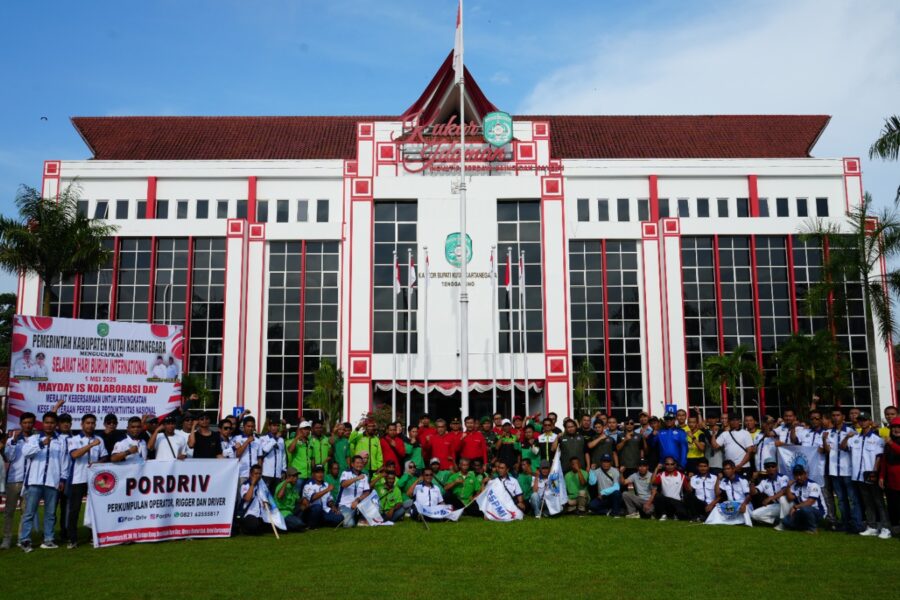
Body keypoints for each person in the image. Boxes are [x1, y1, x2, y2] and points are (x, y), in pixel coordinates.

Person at [19, 412, 68, 552]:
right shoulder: (34, 438)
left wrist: (62, 479)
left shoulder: (61, 440)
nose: (49, 425)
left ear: (56, 424)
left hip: (52, 481)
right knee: (29, 512)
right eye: (47, 422)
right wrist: (41, 444)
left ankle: (48, 539)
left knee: (50, 513)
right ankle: (25, 540)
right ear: (43, 423)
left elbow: (64, 461)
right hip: (35, 480)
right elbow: (26, 453)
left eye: (52, 423)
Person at [66, 413, 108, 548]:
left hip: (95, 479)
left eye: (92, 423)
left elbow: (104, 456)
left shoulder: (99, 439)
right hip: (78, 478)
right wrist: (90, 445)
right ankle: (72, 539)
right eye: (88, 423)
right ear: (82, 424)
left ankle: (93, 535)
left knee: (94, 508)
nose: (90, 425)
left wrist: (98, 463)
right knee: (74, 510)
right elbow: (75, 454)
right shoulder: (74, 439)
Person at [848, 412, 890, 538]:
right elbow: (844, 447)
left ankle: (885, 527)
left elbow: (879, 457)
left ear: (870, 421)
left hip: (871, 475)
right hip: (859, 475)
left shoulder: (877, 439)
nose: (862, 422)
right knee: (867, 502)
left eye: (865, 420)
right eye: (860, 420)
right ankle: (872, 526)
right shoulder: (854, 438)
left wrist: (875, 473)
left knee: (879, 502)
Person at [822, 408, 863, 533]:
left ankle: (857, 524)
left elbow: (845, 448)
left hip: (848, 470)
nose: (835, 417)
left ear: (843, 417)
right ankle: (845, 523)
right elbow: (828, 451)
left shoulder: (851, 431)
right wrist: (824, 440)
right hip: (834, 470)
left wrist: (846, 438)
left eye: (838, 415)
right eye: (833, 415)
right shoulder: (829, 432)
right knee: (841, 499)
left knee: (853, 499)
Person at [2, 412, 37, 549]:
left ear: (33, 424)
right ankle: (6, 539)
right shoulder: (13, 439)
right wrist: (14, 441)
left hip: (29, 480)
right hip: (14, 480)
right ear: (20, 424)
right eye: (25, 423)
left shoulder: (36, 439)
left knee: (26, 512)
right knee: (9, 511)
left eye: (30, 423)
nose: (27, 425)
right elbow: (9, 457)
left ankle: (22, 538)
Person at [780, 464, 826, 533]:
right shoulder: (795, 485)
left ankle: (813, 529)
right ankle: (805, 526)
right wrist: (788, 486)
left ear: (805, 474)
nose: (799, 477)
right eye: (796, 475)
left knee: (805, 509)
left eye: (800, 474)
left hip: (818, 512)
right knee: (785, 521)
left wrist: (795, 507)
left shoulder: (813, 485)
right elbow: (790, 498)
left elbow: (810, 502)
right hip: (802, 511)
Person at [709, 459, 753, 526]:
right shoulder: (724, 481)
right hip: (732, 505)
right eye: (724, 469)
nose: (726, 471)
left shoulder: (742, 480)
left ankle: (743, 522)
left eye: (728, 469)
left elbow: (749, 496)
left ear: (733, 469)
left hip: (743, 504)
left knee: (744, 510)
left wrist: (743, 504)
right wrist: (718, 479)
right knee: (717, 508)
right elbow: (717, 493)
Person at [648, 456, 690, 521]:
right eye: (667, 464)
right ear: (664, 465)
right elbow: (653, 482)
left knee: (683, 515)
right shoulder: (661, 474)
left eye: (672, 464)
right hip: (665, 502)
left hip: (677, 501)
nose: (669, 466)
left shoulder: (681, 476)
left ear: (675, 465)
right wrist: (656, 469)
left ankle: (673, 515)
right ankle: (663, 514)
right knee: (658, 496)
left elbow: (688, 490)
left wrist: (689, 480)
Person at [750, 460, 790, 526]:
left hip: (788, 505)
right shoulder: (764, 482)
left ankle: (783, 523)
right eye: (768, 467)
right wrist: (752, 480)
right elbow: (753, 493)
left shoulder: (783, 477)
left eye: (773, 466)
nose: (771, 468)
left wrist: (771, 498)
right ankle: (777, 522)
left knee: (782, 499)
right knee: (754, 514)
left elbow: (784, 491)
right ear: (765, 468)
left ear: (776, 467)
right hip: (777, 505)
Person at [878, 416, 900, 533]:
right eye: (894, 427)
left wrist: (891, 443)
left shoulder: (890, 442)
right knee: (892, 504)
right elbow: (884, 461)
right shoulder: (888, 443)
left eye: (899, 427)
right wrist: (882, 476)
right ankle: (895, 526)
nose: (896, 430)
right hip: (891, 479)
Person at [338, 455, 373, 527]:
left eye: (361, 463)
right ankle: (356, 519)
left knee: (373, 518)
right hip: (345, 505)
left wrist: (358, 500)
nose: (359, 465)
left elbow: (367, 492)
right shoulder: (345, 473)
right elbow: (343, 484)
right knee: (349, 524)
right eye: (357, 463)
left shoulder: (364, 476)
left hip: (358, 504)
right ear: (352, 464)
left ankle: (359, 519)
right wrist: (357, 478)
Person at [239, 465, 273, 535]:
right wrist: (252, 485)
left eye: (260, 473)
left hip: (261, 514)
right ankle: (244, 528)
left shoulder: (262, 486)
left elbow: (267, 500)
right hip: (249, 514)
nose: (258, 475)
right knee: (254, 525)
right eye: (256, 473)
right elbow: (247, 498)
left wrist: (266, 503)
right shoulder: (245, 485)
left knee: (271, 526)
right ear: (250, 474)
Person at [273, 467, 307, 532]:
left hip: (291, 511)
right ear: (288, 476)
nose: (296, 478)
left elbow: (298, 500)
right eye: (293, 476)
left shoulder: (294, 487)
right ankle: (283, 525)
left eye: (296, 476)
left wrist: (304, 500)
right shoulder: (282, 485)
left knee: (303, 507)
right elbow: (279, 496)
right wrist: (286, 482)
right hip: (283, 513)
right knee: (299, 524)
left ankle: (287, 526)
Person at [259, 419, 287, 493]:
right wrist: (275, 439)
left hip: (278, 474)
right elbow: (264, 450)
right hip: (266, 473)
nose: (276, 428)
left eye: (277, 426)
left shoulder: (281, 440)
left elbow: (283, 455)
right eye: (273, 425)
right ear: (269, 427)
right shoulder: (263, 438)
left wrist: (284, 470)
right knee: (265, 495)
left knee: (275, 496)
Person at [234, 416, 262, 486]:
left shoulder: (258, 440)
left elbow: (259, 458)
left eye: (252, 426)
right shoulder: (237, 438)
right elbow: (237, 454)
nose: (250, 428)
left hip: (254, 475)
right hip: (242, 473)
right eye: (248, 426)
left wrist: (259, 472)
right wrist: (247, 441)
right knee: (241, 493)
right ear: (244, 426)